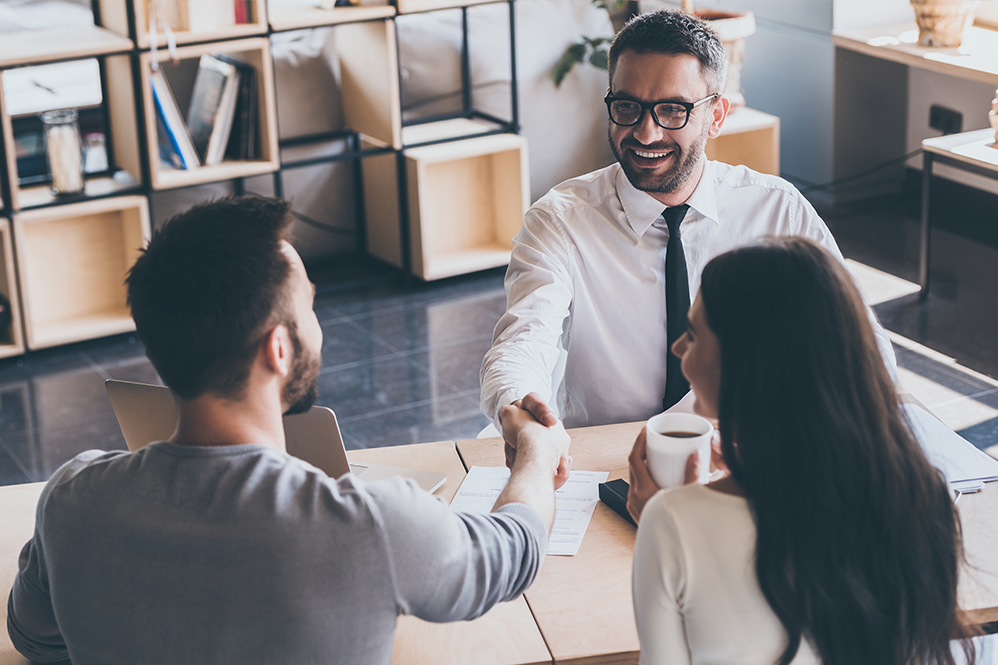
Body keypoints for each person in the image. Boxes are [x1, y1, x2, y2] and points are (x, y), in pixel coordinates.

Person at [7, 195, 571, 665]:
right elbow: (513, 551)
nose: (318, 329)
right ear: (279, 348)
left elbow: (33, 636)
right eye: (310, 309)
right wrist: (536, 452)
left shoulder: (72, 499)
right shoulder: (369, 526)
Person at [480, 9, 895, 442]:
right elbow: (523, 339)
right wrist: (519, 403)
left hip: (744, 450)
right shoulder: (559, 220)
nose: (645, 133)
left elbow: (862, 344)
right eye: (627, 107)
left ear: (716, 116)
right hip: (603, 455)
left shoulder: (777, 210)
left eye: (672, 111)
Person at [628, 237, 973, 665]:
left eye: (694, 336)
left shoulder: (671, 523)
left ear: (750, 366)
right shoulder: (925, 498)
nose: (679, 347)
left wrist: (663, 522)